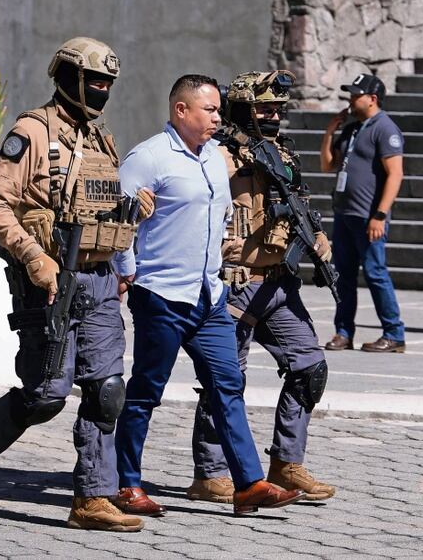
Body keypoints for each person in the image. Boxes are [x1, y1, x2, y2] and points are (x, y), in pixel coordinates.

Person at [0, 37, 152, 532]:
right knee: (45, 395)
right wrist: (33, 256)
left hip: (99, 283)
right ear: (70, 78)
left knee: (107, 392)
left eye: (108, 83)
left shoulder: (102, 139)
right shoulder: (33, 132)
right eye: (95, 81)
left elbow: (96, 209)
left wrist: (128, 230)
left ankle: (92, 499)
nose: (102, 91)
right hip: (49, 285)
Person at [112, 74, 305, 518]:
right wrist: (127, 274)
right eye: (210, 110)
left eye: (219, 110)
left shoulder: (215, 160)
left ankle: (249, 484)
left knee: (228, 386)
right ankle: (127, 485)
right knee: (145, 392)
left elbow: (218, 222)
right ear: (181, 110)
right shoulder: (149, 158)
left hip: (209, 295)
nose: (218, 117)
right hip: (160, 294)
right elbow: (119, 225)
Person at [187, 70, 336, 503]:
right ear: (242, 109)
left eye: (277, 109)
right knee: (225, 379)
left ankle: (287, 462)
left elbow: (298, 202)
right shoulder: (217, 156)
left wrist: (316, 235)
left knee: (310, 368)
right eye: (264, 108)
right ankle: (210, 473)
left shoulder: (282, 153)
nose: (272, 115)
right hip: (235, 284)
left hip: (278, 285)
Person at [319, 74, 406, 354]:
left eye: (356, 94)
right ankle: (344, 332)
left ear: (373, 99)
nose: (351, 99)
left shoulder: (386, 128)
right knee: (343, 276)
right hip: (346, 214)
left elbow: (395, 174)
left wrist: (380, 215)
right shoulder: (352, 129)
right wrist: (330, 131)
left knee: (375, 274)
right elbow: (328, 165)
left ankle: (394, 334)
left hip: (369, 217)